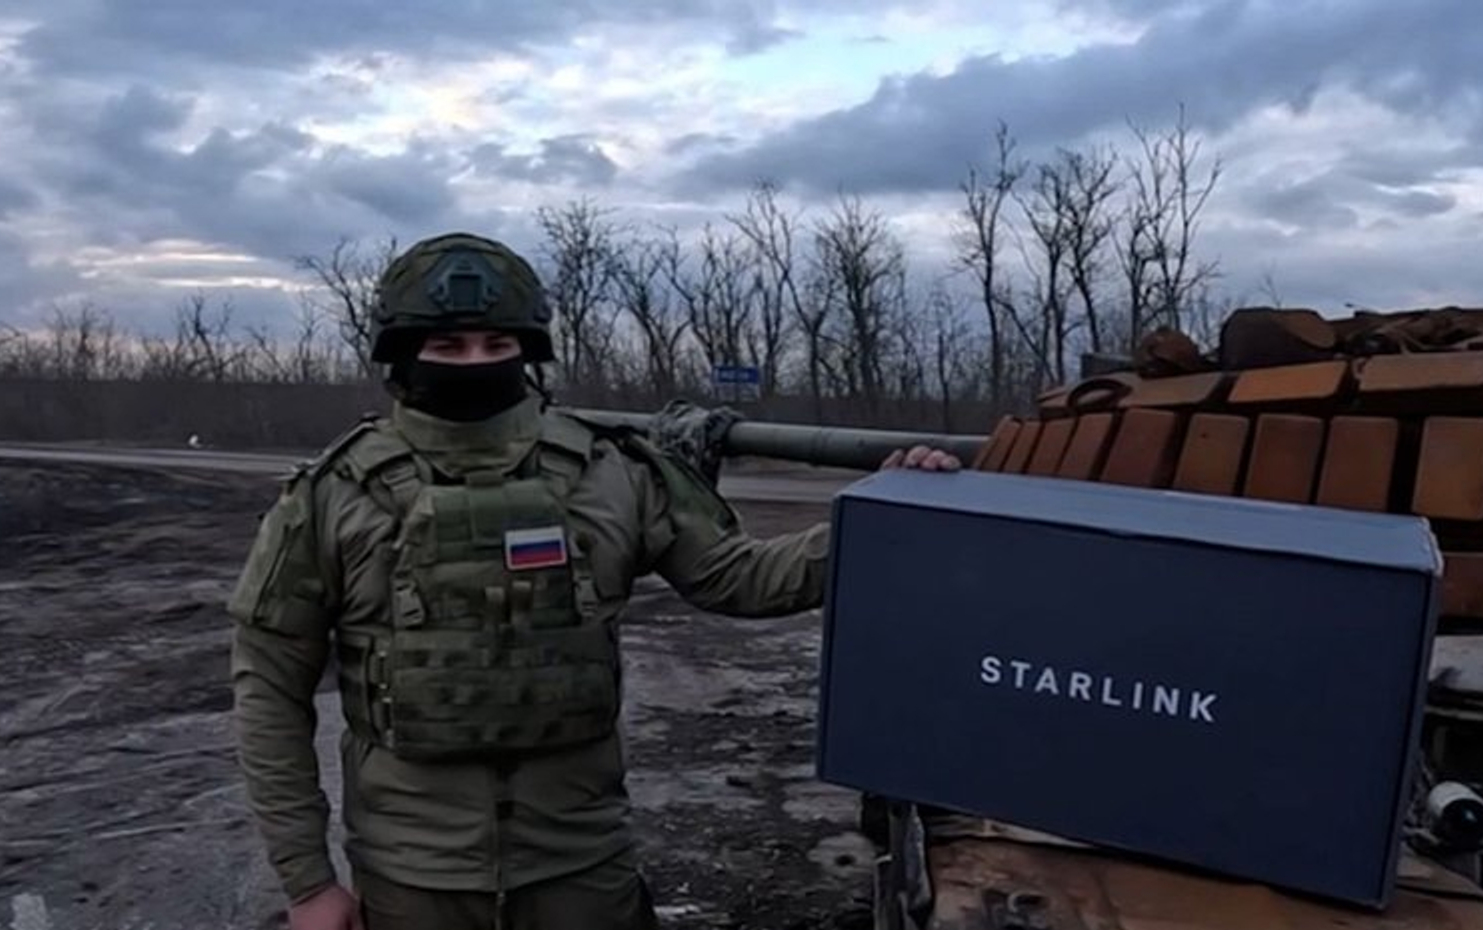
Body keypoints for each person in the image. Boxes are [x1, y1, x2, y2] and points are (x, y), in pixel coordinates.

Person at [228, 231, 960, 930]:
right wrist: (308, 882)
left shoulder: (612, 470)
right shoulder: (332, 494)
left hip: (581, 865)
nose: (474, 361)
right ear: (401, 352)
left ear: (529, 350)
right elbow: (269, 687)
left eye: (496, 344)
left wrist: (886, 519)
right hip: (411, 879)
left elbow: (740, 578)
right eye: (447, 345)